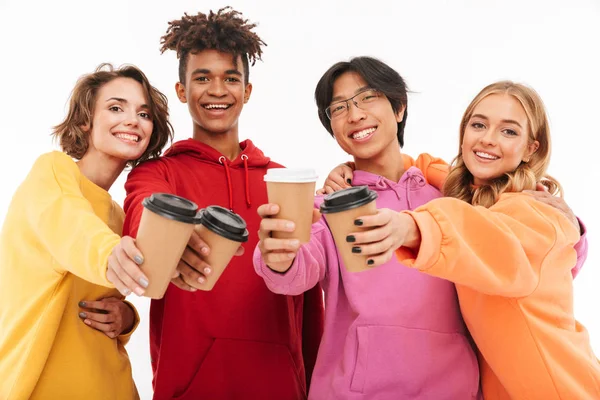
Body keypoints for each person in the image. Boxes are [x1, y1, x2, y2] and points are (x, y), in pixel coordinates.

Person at [347, 80, 599, 398]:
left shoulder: (534, 210)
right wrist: (355, 169)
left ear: (531, 148)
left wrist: (412, 227)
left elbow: (488, 237)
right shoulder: (473, 193)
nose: (488, 140)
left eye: (509, 131)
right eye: (478, 125)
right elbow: (427, 167)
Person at [122, 7, 324, 399]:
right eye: (202, 78)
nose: (217, 90)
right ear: (182, 90)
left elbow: (310, 297)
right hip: (190, 388)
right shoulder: (156, 175)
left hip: (282, 386)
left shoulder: (285, 181)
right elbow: (142, 226)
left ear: (247, 91)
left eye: (230, 78)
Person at [253, 56, 482, 399]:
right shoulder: (328, 206)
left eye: (367, 97)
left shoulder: (451, 196)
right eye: (339, 107)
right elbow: (298, 269)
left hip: (454, 390)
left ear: (399, 107)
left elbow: (521, 253)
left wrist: (567, 224)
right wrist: (277, 255)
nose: (355, 114)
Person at [0, 63, 173, 399]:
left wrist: (126, 318)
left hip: (113, 386)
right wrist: (112, 256)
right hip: (37, 386)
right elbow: (72, 228)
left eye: (144, 113)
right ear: (84, 121)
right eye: (115, 108)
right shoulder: (52, 172)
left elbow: (120, 290)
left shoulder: (120, 217)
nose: (132, 120)